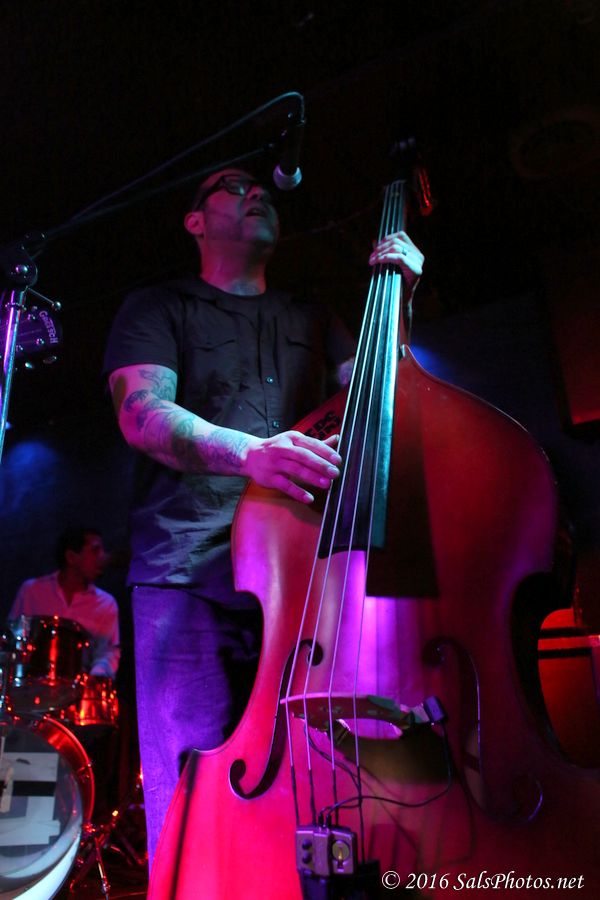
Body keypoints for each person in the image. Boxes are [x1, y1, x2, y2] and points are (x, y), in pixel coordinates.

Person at [103, 167, 424, 866]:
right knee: (189, 797)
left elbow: (387, 403)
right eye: (233, 185)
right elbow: (142, 413)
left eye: (264, 190)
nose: (258, 193)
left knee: (318, 786)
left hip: (298, 581)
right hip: (187, 574)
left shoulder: (313, 317)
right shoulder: (158, 307)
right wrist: (251, 453)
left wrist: (398, 302)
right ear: (194, 221)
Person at [10, 525, 120, 679]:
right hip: (30, 686)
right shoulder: (32, 591)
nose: (103, 557)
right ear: (71, 557)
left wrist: (95, 678)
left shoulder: (106, 604)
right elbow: (12, 638)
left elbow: (107, 652)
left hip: (79, 689)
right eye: (95, 550)